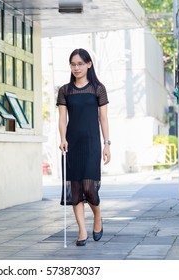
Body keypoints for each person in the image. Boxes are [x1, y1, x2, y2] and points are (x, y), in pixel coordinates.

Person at [56, 48, 111, 246]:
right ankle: (82, 231)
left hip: (92, 144)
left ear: (89, 64)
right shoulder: (65, 90)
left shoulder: (98, 88)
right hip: (72, 144)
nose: (76, 67)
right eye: (73, 64)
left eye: (80, 64)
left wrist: (107, 144)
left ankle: (97, 216)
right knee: (76, 190)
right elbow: (62, 119)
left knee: (90, 188)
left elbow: (103, 118)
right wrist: (62, 138)